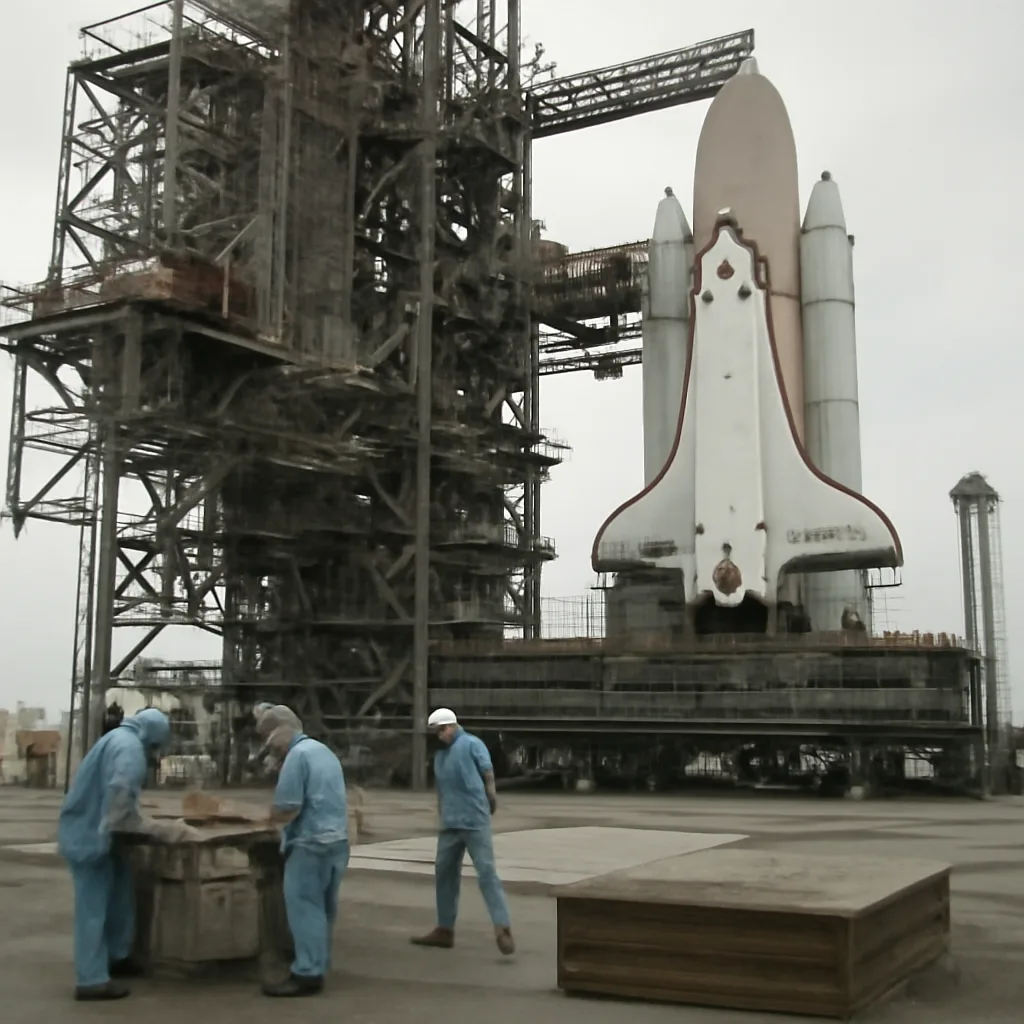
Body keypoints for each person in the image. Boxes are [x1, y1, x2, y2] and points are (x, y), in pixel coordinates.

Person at [57, 707, 196, 1002]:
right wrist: (164, 831)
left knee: (119, 896)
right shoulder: (130, 750)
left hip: (101, 833)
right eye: (156, 747)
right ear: (151, 738)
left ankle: (118, 956)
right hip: (89, 836)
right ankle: (91, 979)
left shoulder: (116, 739)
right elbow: (120, 813)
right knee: (93, 909)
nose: (155, 755)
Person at [260, 706, 349, 998]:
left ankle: (307, 973)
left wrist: (266, 819)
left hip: (310, 843)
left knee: (304, 906)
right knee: (323, 908)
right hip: (337, 841)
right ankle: (319, 961)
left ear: (282, 731)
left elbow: (288, 806)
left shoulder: (297, 756)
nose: (273, 750)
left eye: (272, 742)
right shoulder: (324, 752)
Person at [411, 707, 514, 955]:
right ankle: (444, 929)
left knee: (486, 872)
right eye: (436, 733)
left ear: (451, 726)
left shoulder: (471, 744)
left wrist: (492, 796)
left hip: (474, 819)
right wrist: (440, 814)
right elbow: (441, 789)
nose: (439, 736)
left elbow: (487, 772)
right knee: (444, 873)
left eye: (441, 731)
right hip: (450, 823)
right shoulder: (440, 756)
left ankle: (502, 927)